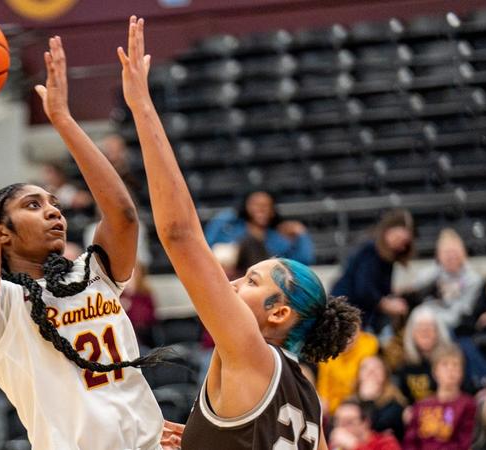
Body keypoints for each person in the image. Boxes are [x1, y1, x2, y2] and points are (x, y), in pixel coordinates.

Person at [0, 33, 164, 449]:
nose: (53, 211)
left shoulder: (93, 274)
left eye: (54, 203)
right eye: (33, 205)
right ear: (3, 233)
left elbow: (124, 215)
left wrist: (63, 119)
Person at [117, 16, 361, 449]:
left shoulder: (250, 349)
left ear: (278, 313)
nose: (231, 283)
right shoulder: (308, 395)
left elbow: (179, 233)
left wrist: (142, 108)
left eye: (251, 280)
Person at [331, 209, 415, 333]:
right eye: (398, 239)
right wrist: (386, 304)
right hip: (349, 311)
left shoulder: (386, 257)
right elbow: (364, 289)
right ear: (387, 232)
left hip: (358, 313)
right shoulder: (371, 251)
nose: (401, 247)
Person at [204, 190, 315, 275]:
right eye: (255, 204)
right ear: (246, 206)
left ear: (272, 211)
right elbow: (207, 248)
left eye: (266, 205)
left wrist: (301, 234)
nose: (261, 209)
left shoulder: (277, 237)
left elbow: (303, 262)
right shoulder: (230, 228)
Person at [403, 344, 476, 450]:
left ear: (462, 372)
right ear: (435, 371)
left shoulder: (468, 404)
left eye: (456, 365)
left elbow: (465, 442)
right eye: (445, 365)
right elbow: (410, 442)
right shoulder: (421, 405)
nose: (451, 370)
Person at [395, 306, 455, 405]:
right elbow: (403, 399)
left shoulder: (452, 361)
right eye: (420, 327)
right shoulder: (404, 365)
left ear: (438, 332)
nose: (425, 332)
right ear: (412, 334)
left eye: (430, 327)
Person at [317, 330, 379, 415]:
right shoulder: (327, 351)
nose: (346, 338)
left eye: (352, 332)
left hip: (360, 400)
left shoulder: (369, 344)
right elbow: (323, 383)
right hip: (334, 409)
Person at [352, 356, 407, 441]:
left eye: (377, 368)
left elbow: (375, 429)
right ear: (358, 375)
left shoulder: (395, 403)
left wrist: (368, 400)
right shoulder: (350, 401)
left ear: (385, 374)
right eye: (365, 368)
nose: (371, 371)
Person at [329, 399, 401, 450]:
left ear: (365, 423)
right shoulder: (336, 445)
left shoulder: (386, 442)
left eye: (349, 422)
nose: (341, 428)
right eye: (338, 422)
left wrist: (354, 446)